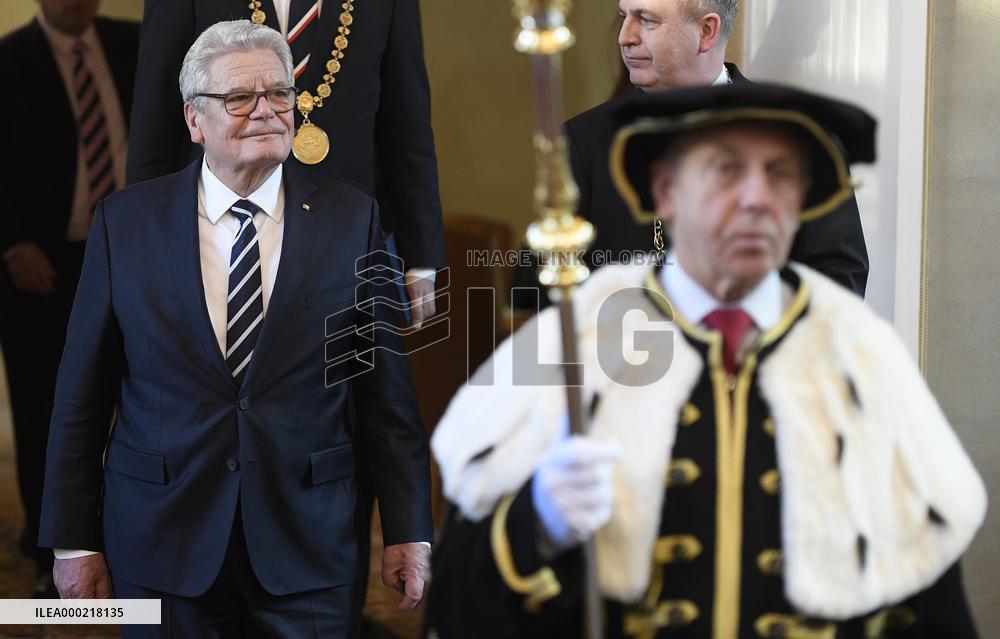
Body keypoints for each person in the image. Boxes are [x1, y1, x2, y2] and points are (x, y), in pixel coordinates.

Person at [425, 83, 986, 638]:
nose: (756, 198)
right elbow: (456, 607)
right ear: (665, 193)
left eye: (781, 174)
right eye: (726, 170)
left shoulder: (859, 361)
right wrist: (535, 524)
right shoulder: (575, 345)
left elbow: (927, 604)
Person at [38, 20, 433, 637]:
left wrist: (409, 528)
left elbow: (386, 400)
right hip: (161, 541)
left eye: (279, 94)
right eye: (239, 99)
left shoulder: (353, 220)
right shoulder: (126, 224)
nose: (266, 112)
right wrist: (70, 541)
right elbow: (80, 399)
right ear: (195, 121)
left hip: (311, 545)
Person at [512, 0, 869, 316]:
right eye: (624, 17)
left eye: (647, 20)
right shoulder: (584, 140)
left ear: (707, 31)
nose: (625, 36)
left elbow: (839, 279)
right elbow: (536, 284)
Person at [125, 0, 445, 327]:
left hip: (347, 234)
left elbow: (407, 123)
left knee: (355, 369)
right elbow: (156, 113)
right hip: (224, 230)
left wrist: (421, 256)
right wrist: (136, 242)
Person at [0, 0, 138, 596]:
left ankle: (134, 543)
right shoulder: (8, 60)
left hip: (139, 257)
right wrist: (11, 244)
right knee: (46, 412)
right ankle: (52, 549)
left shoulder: (138, 45)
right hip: (43, 266)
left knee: (145, 402)